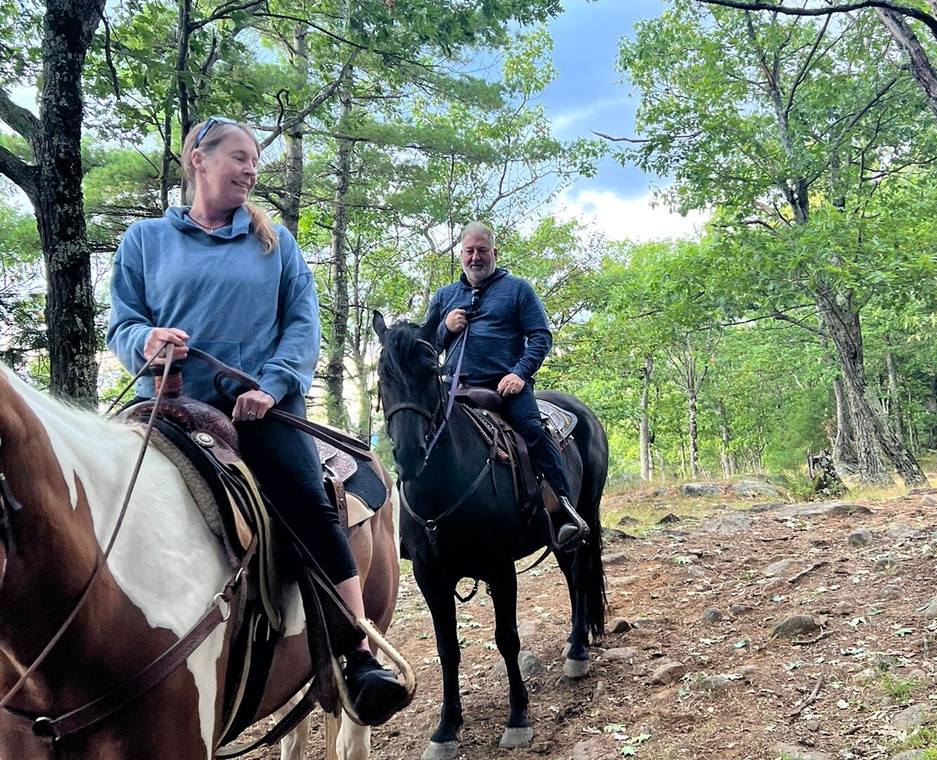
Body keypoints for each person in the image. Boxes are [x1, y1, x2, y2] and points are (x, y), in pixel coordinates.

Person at [106, 117, 409, 725]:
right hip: (165, 409)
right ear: (198, 158)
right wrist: (147, 341)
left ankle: (356, 651)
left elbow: (302, 326)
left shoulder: (275, 243)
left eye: (256, 162)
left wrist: (271, 388)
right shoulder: (142, 242)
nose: (251, 171)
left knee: (305, 498)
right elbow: (122, 325)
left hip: (258, 409)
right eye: (239, 158)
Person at [426, 221, 588, 550]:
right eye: (469, 251)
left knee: (533, 430)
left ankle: (565, 513)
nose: (475, 257)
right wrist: (444, 328)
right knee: (419, 436)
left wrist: (519, 374)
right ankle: (416, 523)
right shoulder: (444, 297)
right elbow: (425, 347)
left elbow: (541, 337)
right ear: (460, 255)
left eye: (482, 251)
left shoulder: (517, 289)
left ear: (494, 253)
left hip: (505, 388)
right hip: (454, 390)